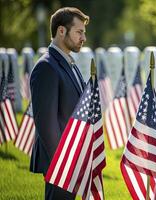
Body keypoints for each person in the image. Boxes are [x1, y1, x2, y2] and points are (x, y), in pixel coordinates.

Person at [30, 7, 89, 200]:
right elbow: (46, 123)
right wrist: (64, 164)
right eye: (79, 32)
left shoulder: (69, 63)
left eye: (84, 33)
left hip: (73, 158)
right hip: (60, 163)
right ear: (61, 31)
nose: (83, 38)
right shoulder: (46, 66)